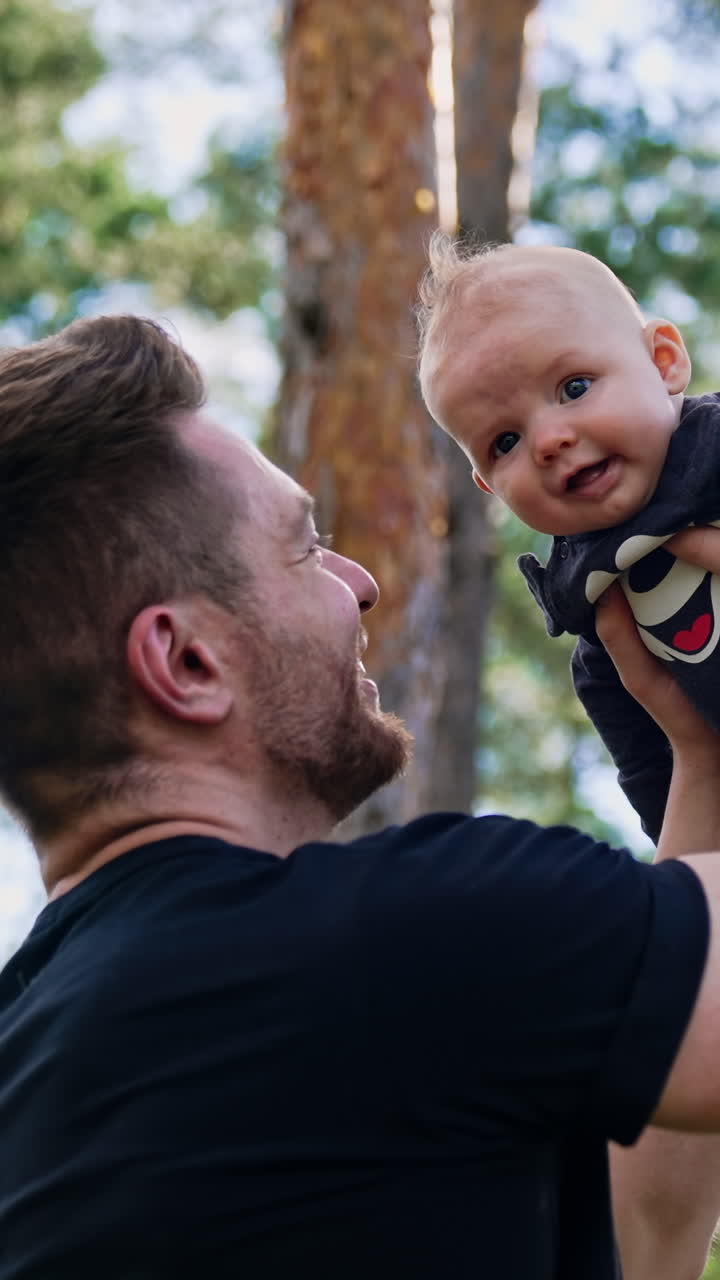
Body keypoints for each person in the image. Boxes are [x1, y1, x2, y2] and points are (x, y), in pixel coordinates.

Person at [1, 316, 720, 1280]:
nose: (365, 583)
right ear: (186, 661)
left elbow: (644, 1240)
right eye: (304, 549)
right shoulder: (420, 934)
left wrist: (700, 759)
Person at [417, 235, 720, 843]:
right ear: (488, 485)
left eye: (574, 387)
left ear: (664, 362)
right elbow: (657, 785)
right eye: (504, 442)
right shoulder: (606, 632)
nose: (548, 439)